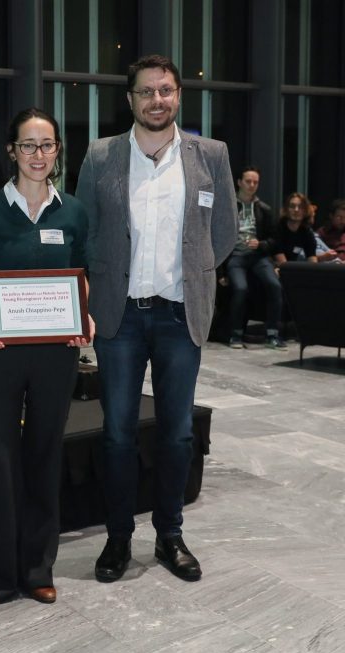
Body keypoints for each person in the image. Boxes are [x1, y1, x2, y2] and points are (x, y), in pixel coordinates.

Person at [75, 54, 236, 584]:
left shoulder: (210, 155)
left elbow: (224, 233)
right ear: (130, 100)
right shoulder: (100, 157)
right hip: (118, 318)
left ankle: (170, 535)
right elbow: (86, 229)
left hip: (179, 315)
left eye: (165, 90)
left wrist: (195, 274)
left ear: (178, 94)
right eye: (146, 92)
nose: (157, 100)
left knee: (176, 435)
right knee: (118, 434)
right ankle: (118, 538)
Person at [0, 108, 92, 609]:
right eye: (28, 145)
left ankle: (38, 568)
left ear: (58, 151)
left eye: (47, 145)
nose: (38, 155)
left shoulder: (74, 212)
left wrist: (85, 313)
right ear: (11, 152)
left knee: (43, 454)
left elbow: (80, 275)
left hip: (57, 353)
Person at [225, 166, 283, 350]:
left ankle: (272, 334)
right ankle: (235, 334)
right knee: (241, 289)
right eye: (248, 181)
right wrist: (220, 271)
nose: (252, 185)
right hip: (236, 255)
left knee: (275, 286)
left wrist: (261, 244)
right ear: (239, 182)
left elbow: (275, 239)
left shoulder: (263, 209)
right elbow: (215, 237)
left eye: (255, 182)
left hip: (258, 256)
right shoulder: (227, 205)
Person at [273, 192, 319, 266]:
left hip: (291, 267)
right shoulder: (278, 228)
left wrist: (314, 272)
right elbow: (281, 259)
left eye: (300, 207)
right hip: (276, 266)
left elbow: (311, 256)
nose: (296, 210)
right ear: (286, 209)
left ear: (305, 210)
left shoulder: (306, 231)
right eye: (292, 206)